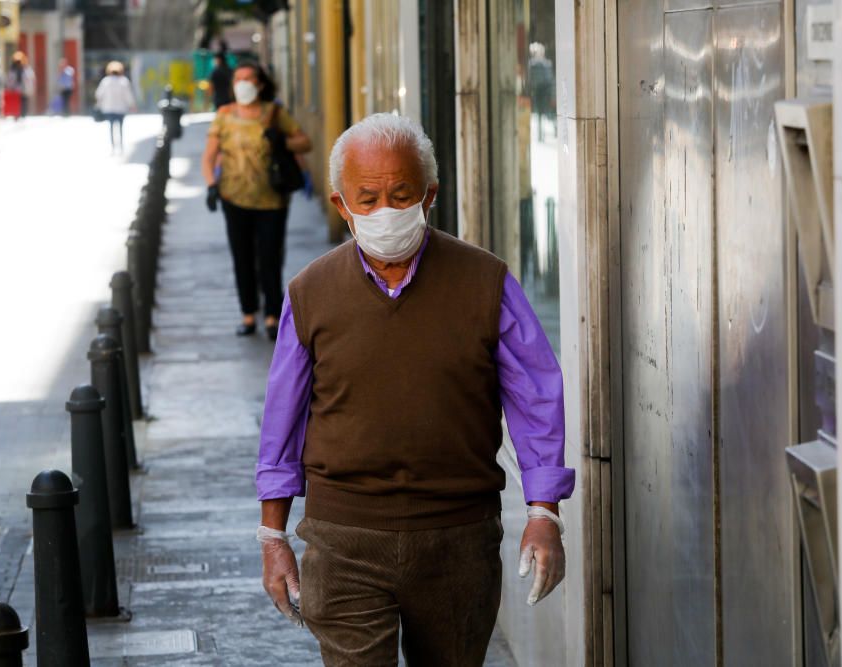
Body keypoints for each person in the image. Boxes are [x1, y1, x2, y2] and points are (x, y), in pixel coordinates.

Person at [256, 113, 575, 665]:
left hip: (458, 538)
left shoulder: (485, 281)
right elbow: (282, 421)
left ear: (429, 196)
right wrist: (273, 537)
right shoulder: (310, 293)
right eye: (368, 197)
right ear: (341, 205)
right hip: (343, 540)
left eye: (400, 194)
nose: (385, 210)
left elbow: (536, 399)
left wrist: (544, 514)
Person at [201, 60, 311, 340]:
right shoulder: (224, 114)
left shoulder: (274, 113)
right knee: (242, 257)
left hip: (272, 200)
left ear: (260, 84)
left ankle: (273, 315)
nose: (243, 84)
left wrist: (281, 142)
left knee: (270, 258)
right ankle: (248, 313)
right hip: (233, 197)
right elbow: (209, 155)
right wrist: (211, 185)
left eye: (248, 79)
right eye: (238, 79)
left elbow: (305, 142)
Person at [94, 61, 136, 153]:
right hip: (121, 109)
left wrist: (99, 104)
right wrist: (132, 105)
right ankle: (120, 146)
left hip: (109, 108)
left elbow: (98, 94)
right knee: (120, 128)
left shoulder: (105, 81)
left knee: (111, 128)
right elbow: (128, 95)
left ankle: (113, 147)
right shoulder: (124, 81)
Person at [6, 51, 35, 119]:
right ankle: (16, 115)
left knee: (24, 103)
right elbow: (10, 79)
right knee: (16, 104)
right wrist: (9, 87)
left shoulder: (26, 69)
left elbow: (30, 78)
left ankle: (23, 115)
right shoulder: (13, 70)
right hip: (15, 90)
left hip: (24, 90)